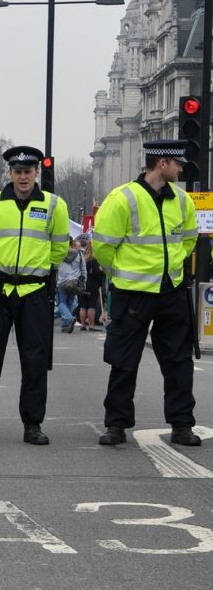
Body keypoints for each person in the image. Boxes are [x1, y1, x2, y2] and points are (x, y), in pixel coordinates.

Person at [0, 146, 70, 446]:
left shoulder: (54, 205)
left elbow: (59, 247)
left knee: (35, 361)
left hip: (34, 291)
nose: (23, 177)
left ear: (36, 173)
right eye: (17, 172)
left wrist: (43, 269)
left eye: (28, 172)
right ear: (10, 173)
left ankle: (32, 424)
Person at [92, 139, 200, 447]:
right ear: (162, 163)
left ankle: (182, 425)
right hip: (132, 293)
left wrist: (173, 269)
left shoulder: (182, 200)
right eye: (177, 163)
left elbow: (189, 240)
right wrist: (122, 275)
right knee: (124, 361)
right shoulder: (123, 198)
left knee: (179, 362)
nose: (181, 168)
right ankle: (116, 425)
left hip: (171, 290)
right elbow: (102, 247)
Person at [56, 239, 86, 333]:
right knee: (70, 302)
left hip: (61, 281)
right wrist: (84, 281)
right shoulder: (79, 254)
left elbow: (55, 268)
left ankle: (68, 319)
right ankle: (66, 325)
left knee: (60, 303)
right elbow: (83, 268)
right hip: (74, 282)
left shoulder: (59, 253)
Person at [78, 239, 106, 331]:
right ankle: (91, 325)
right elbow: (97, 272)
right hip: (92, 285)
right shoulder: (95, 260)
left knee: (83, 305)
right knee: (91, 306)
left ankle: (82, 325)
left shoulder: (83, 258)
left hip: (82, 284)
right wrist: (103, 272)